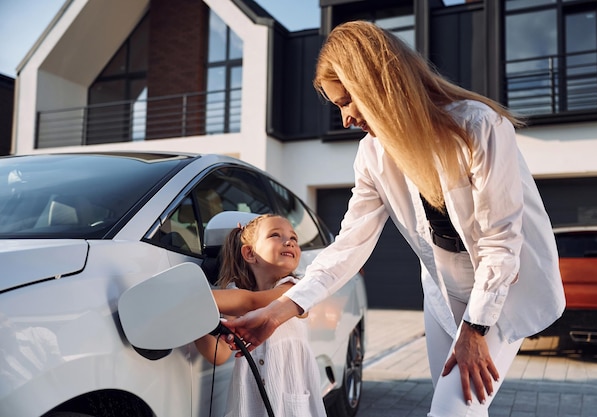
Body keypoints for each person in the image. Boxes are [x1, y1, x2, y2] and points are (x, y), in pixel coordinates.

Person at [223, 21, 566, 416]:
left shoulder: (480, 126)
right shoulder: (373, 155)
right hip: (441, 291)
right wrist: (277, 312)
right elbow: (350, 245)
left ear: (378, 82)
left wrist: (475, 330)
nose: (346, 119)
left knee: (452, 411)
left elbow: (501, 243)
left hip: (500, 294)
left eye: (347, 101)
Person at [194, 213, 327, 417]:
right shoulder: (235, 293)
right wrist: (193, 321)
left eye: (293, 238)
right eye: (276, 235)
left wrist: (190, 297)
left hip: (290, 404)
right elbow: (220, 354)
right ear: (249, 253)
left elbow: (249, 301)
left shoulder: (294, 289)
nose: (289, 242)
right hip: (251, 404)